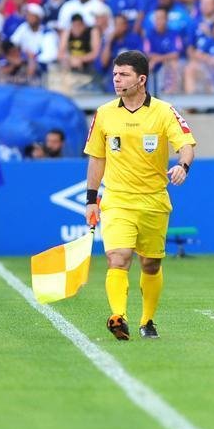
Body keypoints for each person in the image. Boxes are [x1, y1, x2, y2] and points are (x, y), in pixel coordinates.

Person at [83, 51, 196, 341]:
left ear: (141, 79)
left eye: (124, 75)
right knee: (118, 258)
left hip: (153, 200)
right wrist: (91, 200)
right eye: (115, 74)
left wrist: (183, 166)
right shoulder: (105, 113)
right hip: (118, 200)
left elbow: (186, 143)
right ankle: (118, 316)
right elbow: (97, 159)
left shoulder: (164, 111)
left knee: (151, 263)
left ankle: (148, 321)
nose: (117, 80)